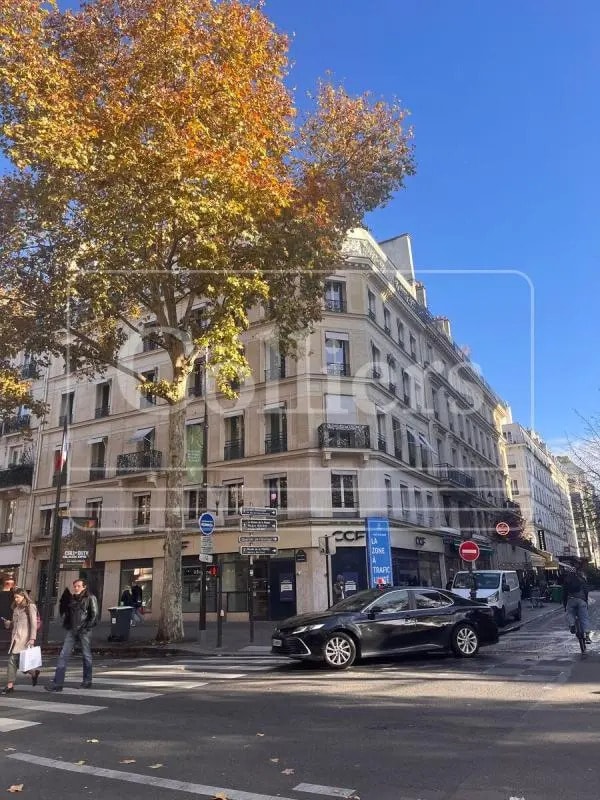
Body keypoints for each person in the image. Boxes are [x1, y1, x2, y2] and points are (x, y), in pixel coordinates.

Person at [45, 578, 99, 692]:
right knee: (63, 655)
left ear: (84, 587)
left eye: (78, 586)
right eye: (74, 586)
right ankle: (57, 684)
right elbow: (68, 614)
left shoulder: (90, 597)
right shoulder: (72, 598)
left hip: (84, 631)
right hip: (72, 630)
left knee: (86, 656)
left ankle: (87, 681)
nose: (76, 588)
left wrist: (86, 627)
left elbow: (94, 616)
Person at [0, 588, 40, 694]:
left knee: (12, 661)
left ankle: (10, 686)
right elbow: (15, 623)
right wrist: (9, 623)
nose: (16, 599)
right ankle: (33, 673)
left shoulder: (30, 607)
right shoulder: (16, 608)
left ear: (23, 596)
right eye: (15, 597)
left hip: (25, 638)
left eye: (18, 597)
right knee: (20, 663)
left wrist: (32, 638)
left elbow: (34, 624)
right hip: (15, 638)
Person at [562, 568, 591, 644]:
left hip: (571, 600)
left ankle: (572, 625)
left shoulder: (566, 581)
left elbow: (564, 595)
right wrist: (586, 601)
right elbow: (586, 591)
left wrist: (565, 605)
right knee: (584, 618)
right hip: (581, 600)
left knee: (569, 613)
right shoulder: (581, 579)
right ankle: (587, 636)